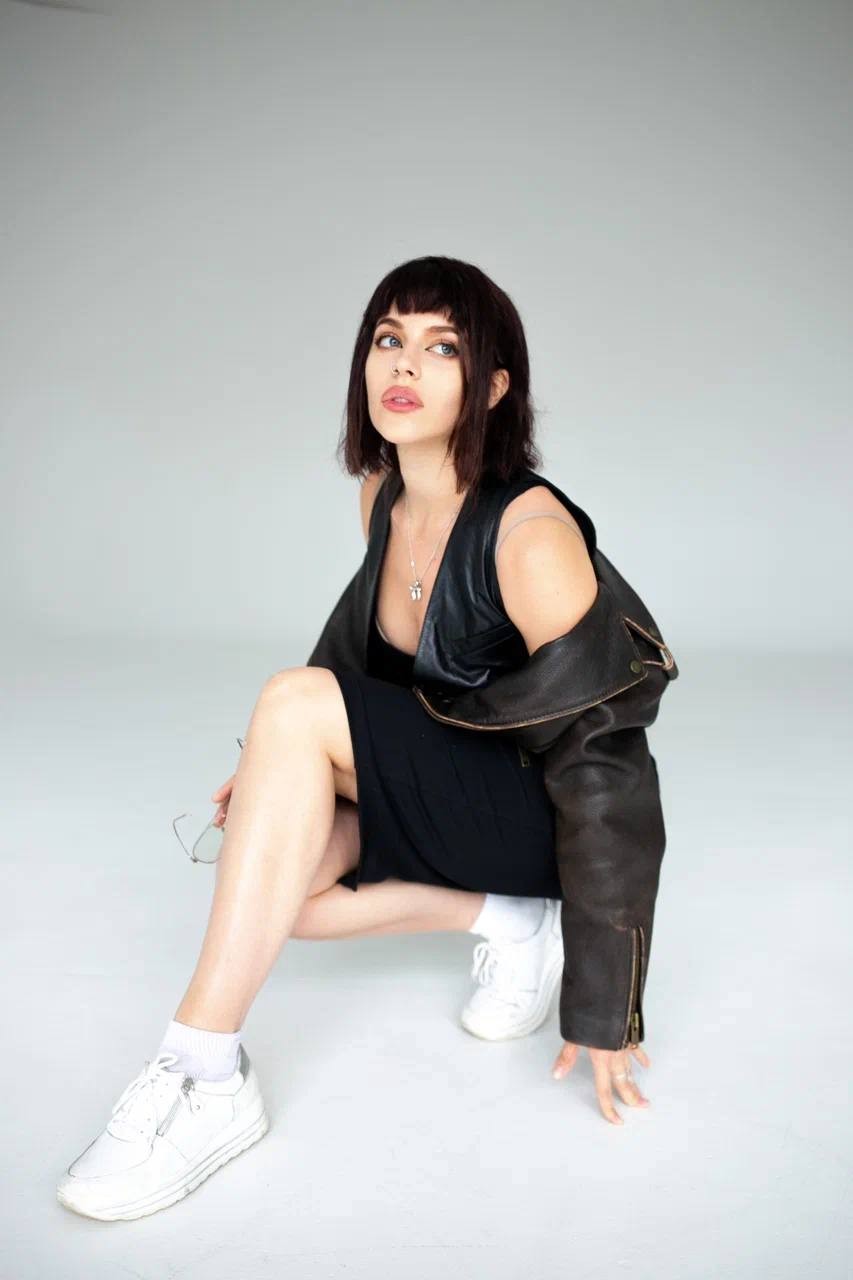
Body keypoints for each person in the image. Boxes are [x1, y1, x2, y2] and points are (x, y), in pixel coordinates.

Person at [57, 256, 678, 1222]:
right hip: (448, 783)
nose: (405, 364)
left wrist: (606, 1003)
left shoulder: (528, 537)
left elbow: (606, 768)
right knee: (279, 894)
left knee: (290, 711)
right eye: (389, 338)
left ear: (493, 387)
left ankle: (205, 1073)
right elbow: (362, 658)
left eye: (443, 348)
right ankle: (506, 921)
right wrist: (275, 764)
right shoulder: (386, 494)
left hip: (538, 812)